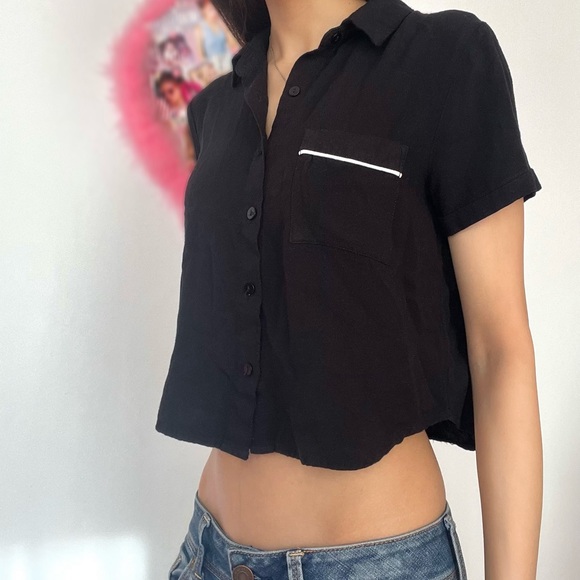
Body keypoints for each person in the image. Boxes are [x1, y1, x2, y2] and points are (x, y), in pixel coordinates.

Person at [158, 0, 544, 578]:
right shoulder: (215, 108)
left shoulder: (445, 59)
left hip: (375, 563)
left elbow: (500, 350)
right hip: (208, 554)